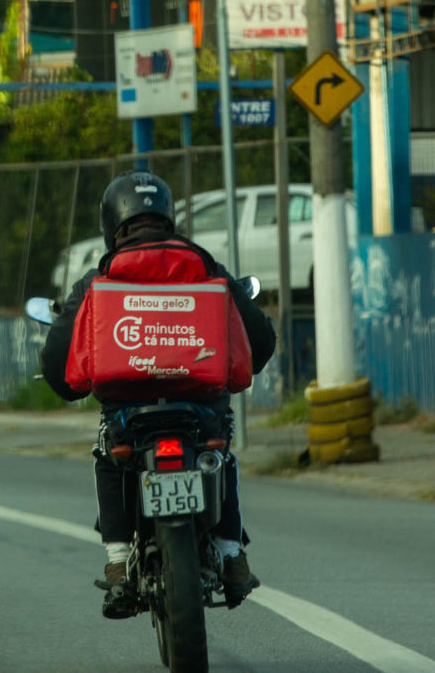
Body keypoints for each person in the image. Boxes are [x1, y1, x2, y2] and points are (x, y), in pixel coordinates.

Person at [40, 170, 277, 619]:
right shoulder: (206, 267)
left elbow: (57, 363)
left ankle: (116, 563)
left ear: (112, 223)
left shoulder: (98, 280)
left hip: (131, 416)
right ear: (168, 216)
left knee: (110, 456)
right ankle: (230, 554)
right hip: (200, 411)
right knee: (220, 452)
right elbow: (260, 340)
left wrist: (68, 385)